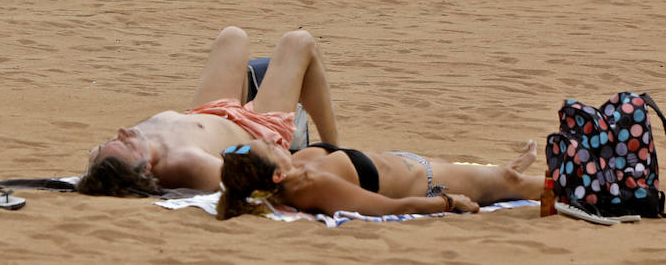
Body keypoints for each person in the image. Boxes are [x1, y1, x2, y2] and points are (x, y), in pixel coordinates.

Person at [78, 27, 340, 195]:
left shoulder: (108, 162)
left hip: (209, 110)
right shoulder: (188, 162)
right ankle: (336, 149)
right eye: (125, 143)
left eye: (111, 140)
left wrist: (106, 156)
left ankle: (252, 84)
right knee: (298, 41)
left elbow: (95, 162)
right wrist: (272, 155)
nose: (122, 132)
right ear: (146, 168)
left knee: (232, 36)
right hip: (257, 127)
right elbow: (240, 182)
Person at [216, 136, 541, 219]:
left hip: (418, 164)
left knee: (501, 179)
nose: (277, 142)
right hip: (432, 181)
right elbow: (386, 207)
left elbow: (236, 174)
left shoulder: (292, 170)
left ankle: (505, 174)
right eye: (271, 148)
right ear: (277, 175)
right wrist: (448, 201)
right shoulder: (314, 184)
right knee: (517, 187)